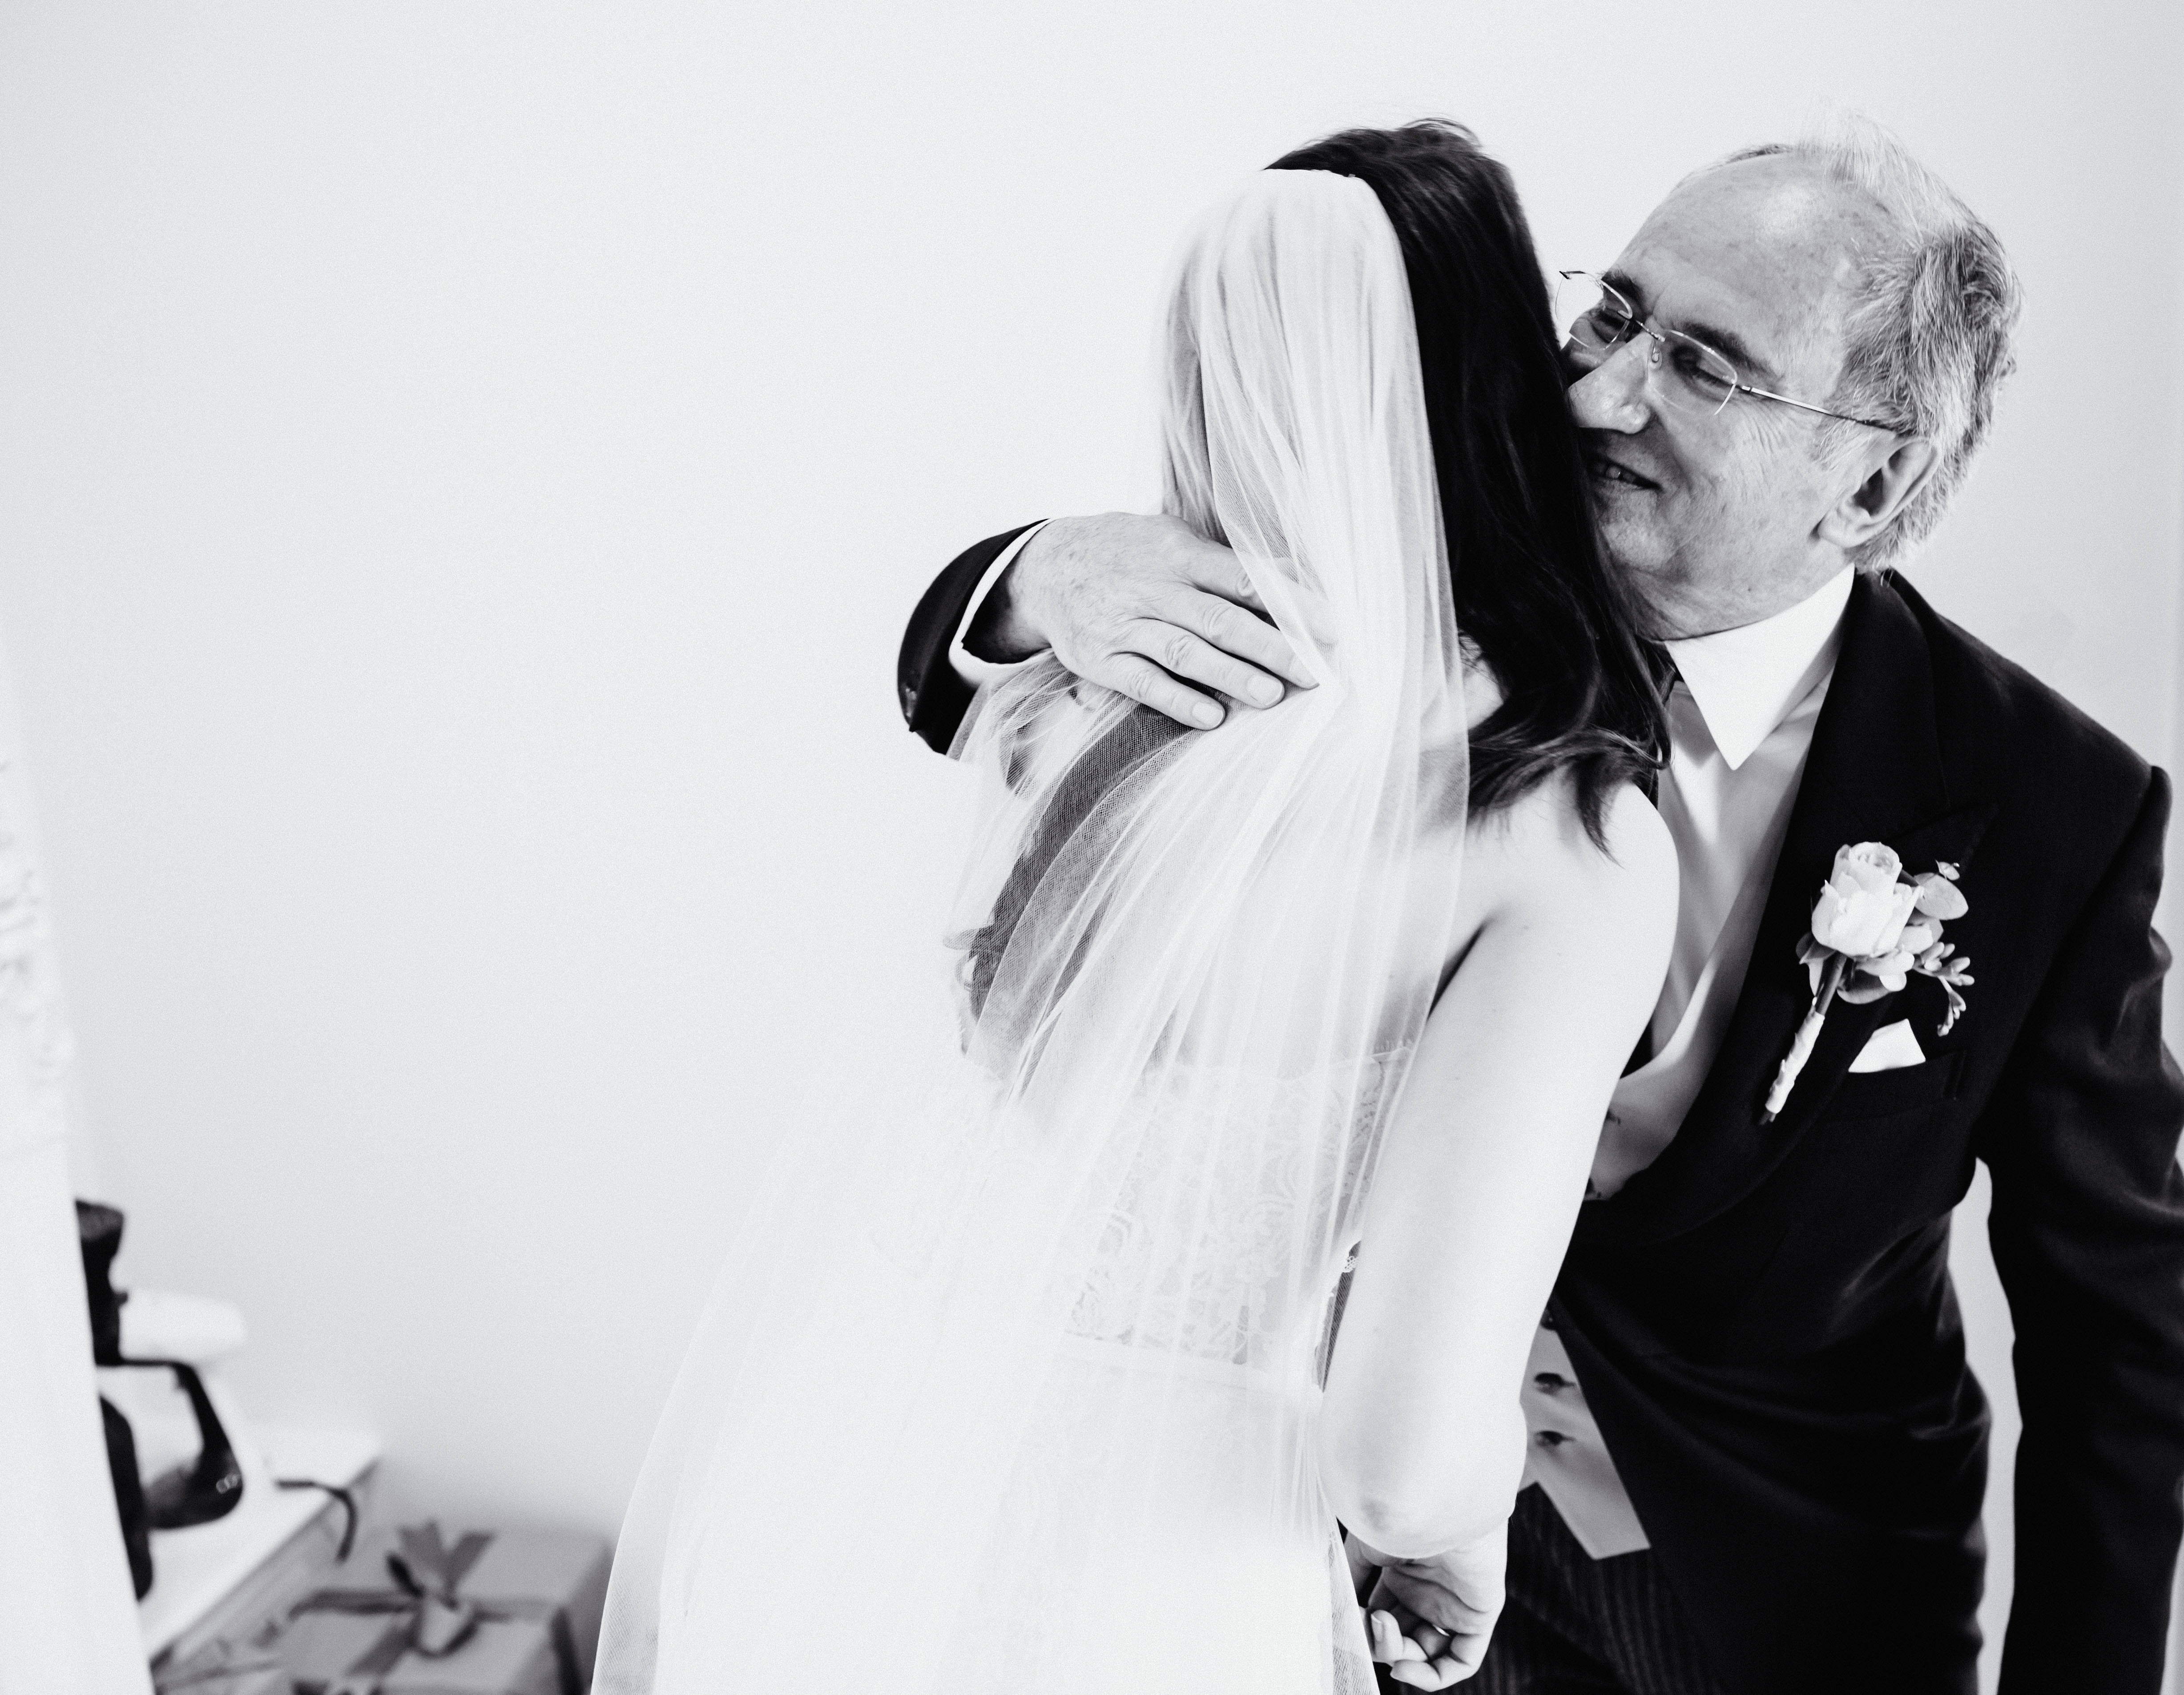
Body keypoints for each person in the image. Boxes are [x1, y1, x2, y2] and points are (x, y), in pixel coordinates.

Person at [899, 118, 2184, 1695]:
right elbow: (1054, 684)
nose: (1599, 393)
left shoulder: (2047, 805)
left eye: (1707, 369)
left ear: (1874, 480)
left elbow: (2111, 1330)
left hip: (1785, 1589)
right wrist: (1031, 575)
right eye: (1614, 313)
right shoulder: (1406, 592)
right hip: (1343, 1560)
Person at [598, 126, 1681, 1694]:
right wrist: (1460, 1529)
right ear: (1492, 381)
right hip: (1155, 1576)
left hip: (863, 1487)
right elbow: (1394, 1457)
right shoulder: (1552, 835)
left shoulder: (1057, 698)